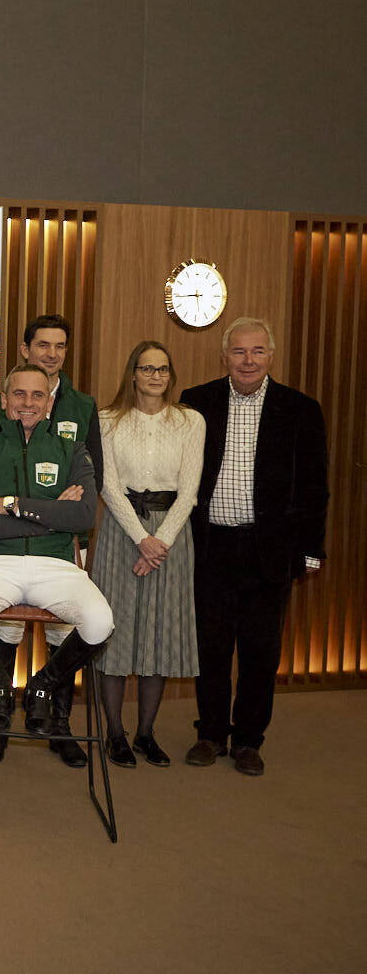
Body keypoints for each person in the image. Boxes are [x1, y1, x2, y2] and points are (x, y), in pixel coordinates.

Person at [179, 318, 327, 776]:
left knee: (261, 652)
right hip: (211, 547)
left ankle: (247, 740)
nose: (248, 360)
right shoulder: (196, 402)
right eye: (239, 351)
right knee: (211, 648)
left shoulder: (300, 409)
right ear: (224, 356)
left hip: (270, 550)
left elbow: (315, 486)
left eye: (257, 351)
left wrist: (310, 549)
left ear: (271, 356)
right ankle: (210, 733)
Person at [0, 364, 114, 742]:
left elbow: (83, 517)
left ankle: (41, 685)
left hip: (55, 565)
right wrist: (51, 516)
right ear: (3, 401)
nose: (28, 402)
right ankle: (0, 686)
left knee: (100, 623)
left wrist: (11, 504)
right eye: (19, 394)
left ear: (49, 403)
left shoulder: (72, 451)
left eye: (38, 395)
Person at [0, 313, 103, 766]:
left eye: (60, 346)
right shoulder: (0, 405)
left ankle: (59, 725)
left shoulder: (83, 406)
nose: (52, 353)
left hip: (64, 544)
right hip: (10, 541)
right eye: (43, 345)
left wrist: (37, 505)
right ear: (25, 350)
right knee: (7, 628)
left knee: (64, 630)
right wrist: (47, 505)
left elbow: (90, 482)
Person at [88, 341, 204, 767]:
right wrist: (141, 538)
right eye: (147, 368)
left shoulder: (190, 421)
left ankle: (145, 734)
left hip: (172, 537)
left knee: (159, 636)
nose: (156, 376)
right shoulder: (107, 421)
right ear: (132, 374)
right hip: (122, 534)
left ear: (171, 376)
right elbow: (107, 486)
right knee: (116, 635)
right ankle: (115, 734)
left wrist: (160, 542)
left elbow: (190, 490)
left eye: (163, 369)